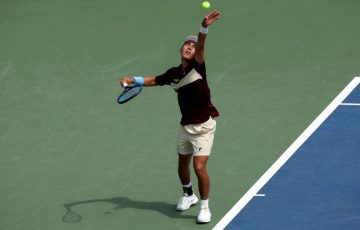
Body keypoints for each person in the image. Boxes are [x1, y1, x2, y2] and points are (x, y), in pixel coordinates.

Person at [120, 10, 221, 224]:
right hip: (186, 126)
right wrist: (133, 79)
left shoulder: (199, 66)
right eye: (187, 44)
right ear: (181, 49)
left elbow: (201, 45)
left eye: (193, 46)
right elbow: (155, 80)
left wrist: (204, 28)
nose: (190, 47)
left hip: (204, 127)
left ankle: (205, 207)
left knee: (199, 167)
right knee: (182, 164)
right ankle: (188, 195)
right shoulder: (174, 73)